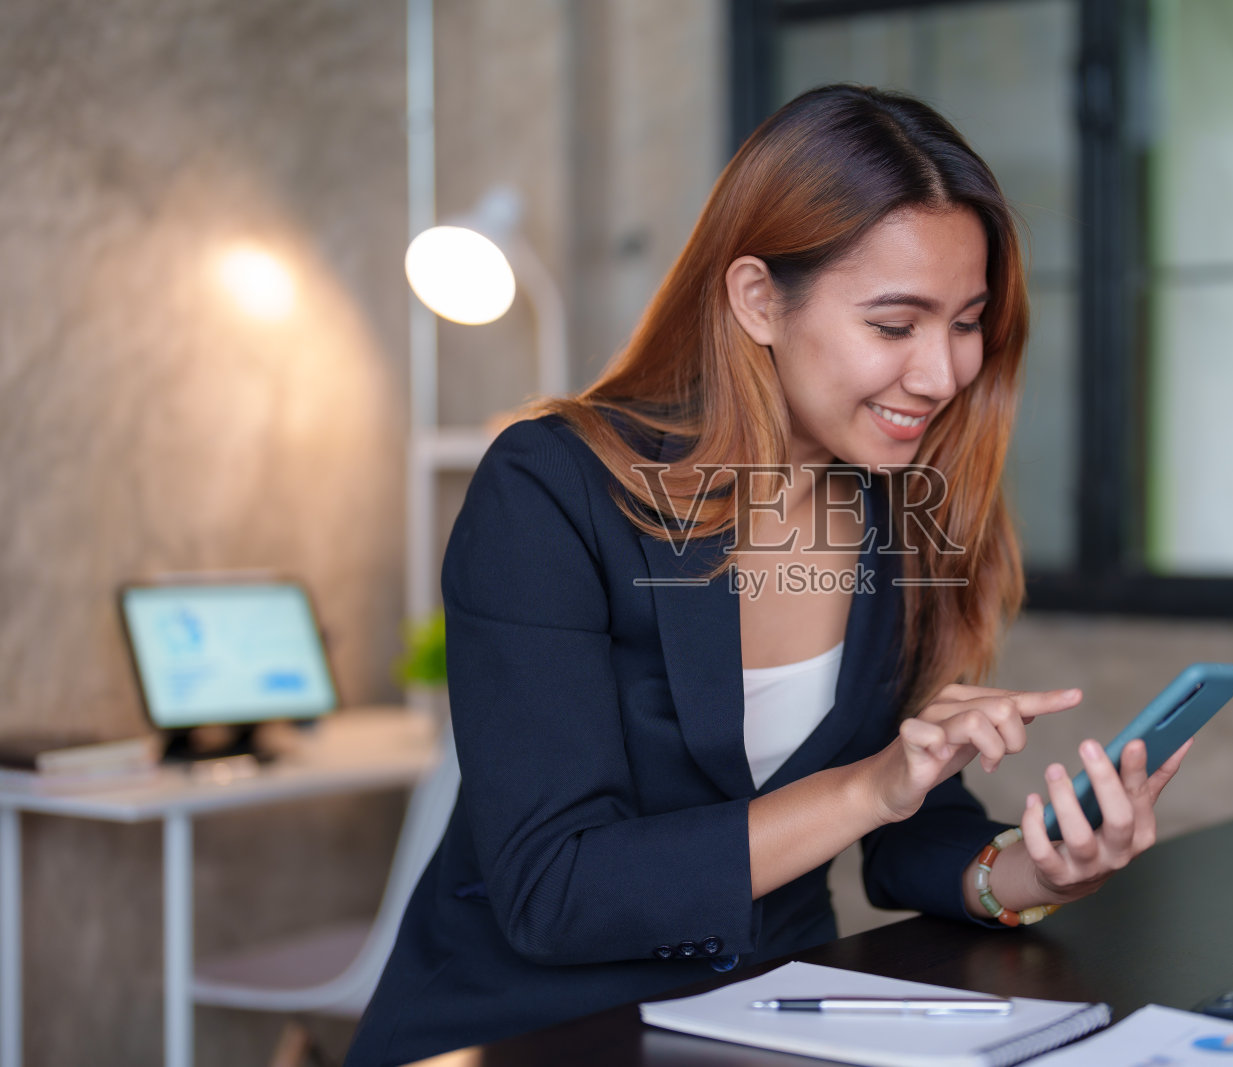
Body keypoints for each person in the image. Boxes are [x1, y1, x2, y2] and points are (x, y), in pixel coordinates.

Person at [347, 84, 1188, 1066]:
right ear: (757, 299)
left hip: (768, 1023)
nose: (943, 373)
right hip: (521, 1033)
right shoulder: (552, 489)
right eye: (895, 324)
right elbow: (555, 886)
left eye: (966, 321)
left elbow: (911, 823)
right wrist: (869, 787)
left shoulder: (900, 507)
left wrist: (1030, 871)